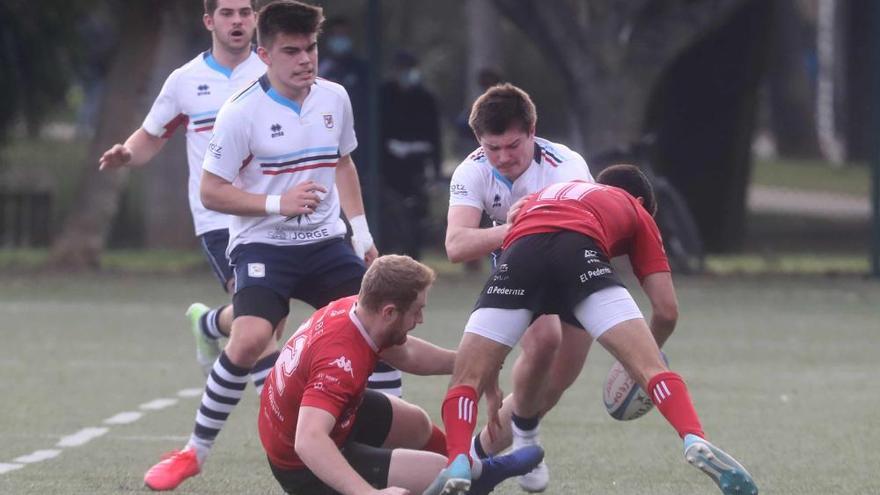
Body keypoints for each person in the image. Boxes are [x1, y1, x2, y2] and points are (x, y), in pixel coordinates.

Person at [142, 1, 380, 490]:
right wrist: (278, 203)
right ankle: (193, 452)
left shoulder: (335, 98)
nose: (305, 60)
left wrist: (362, 234)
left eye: (310, 48)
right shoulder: (240, 111)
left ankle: (377, 445)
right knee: (251, 337)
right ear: (265, 54)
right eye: (291, 51)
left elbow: (344, 165)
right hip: (261, 244)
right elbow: (212, 191)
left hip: (325, 241)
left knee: (382, 326)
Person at [428, 165, 758, 495]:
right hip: (580, 253)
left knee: (465, 379)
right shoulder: (633, 208)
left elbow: (521, 243)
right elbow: (666, 311)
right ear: (641, 201)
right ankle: (693, 437)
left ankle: (458, 459)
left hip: (521, 253)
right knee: (652, 369)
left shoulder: (542, 196)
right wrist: (638, 363)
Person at [260, 254, 545, 495]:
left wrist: (474, 362)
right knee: (438, 474)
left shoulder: (356, 310)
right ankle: (479, 475)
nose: (420, 320)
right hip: (301, 465)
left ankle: (472, 464)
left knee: (417, 424)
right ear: (389, 312)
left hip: (322, 419)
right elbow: (308, 441)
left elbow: (407, 354)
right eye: (416, 311)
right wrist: (369, 493)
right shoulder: (340, 360)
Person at [98, 0, 266, 378]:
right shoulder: (185, 80)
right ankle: (280, 414)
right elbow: (152, 134)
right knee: (258, 315)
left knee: (268, 315)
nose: (237, 21)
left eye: (244, 12)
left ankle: (209, 324)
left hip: (269, 208)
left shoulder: (273, 71)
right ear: (209, 21)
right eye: (227, 13)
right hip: (218, 216)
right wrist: (127, 152)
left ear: (256, 19)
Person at [445, 82, 594, 492]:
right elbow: (456, 245)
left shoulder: (566, 166)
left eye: (513, 146)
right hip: (517, 258)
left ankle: (481, 451)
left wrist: (538, 218)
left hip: (572, 257)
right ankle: (524, 437)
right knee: (544, 340)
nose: (504, 158)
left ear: (532, 131)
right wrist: (514, 228)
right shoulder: (472, 170)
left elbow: (583, 231)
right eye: (493, 148)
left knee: (559, 378)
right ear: (479, 140)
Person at [378, 51, 443, 260]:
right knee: (393, 214)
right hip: (390, 167)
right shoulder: (383, 95)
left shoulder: (426, 98)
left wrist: (436, 169)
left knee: (416, 214)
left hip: (418, 166)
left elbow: (435, 136)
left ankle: (413, 254)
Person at [318, 15, 370, 173]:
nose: (340, 40)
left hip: (359, 134)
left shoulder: (361, 68)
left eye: (344, 35)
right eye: (337, 35)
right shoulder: (321, 68)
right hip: (327, 134)